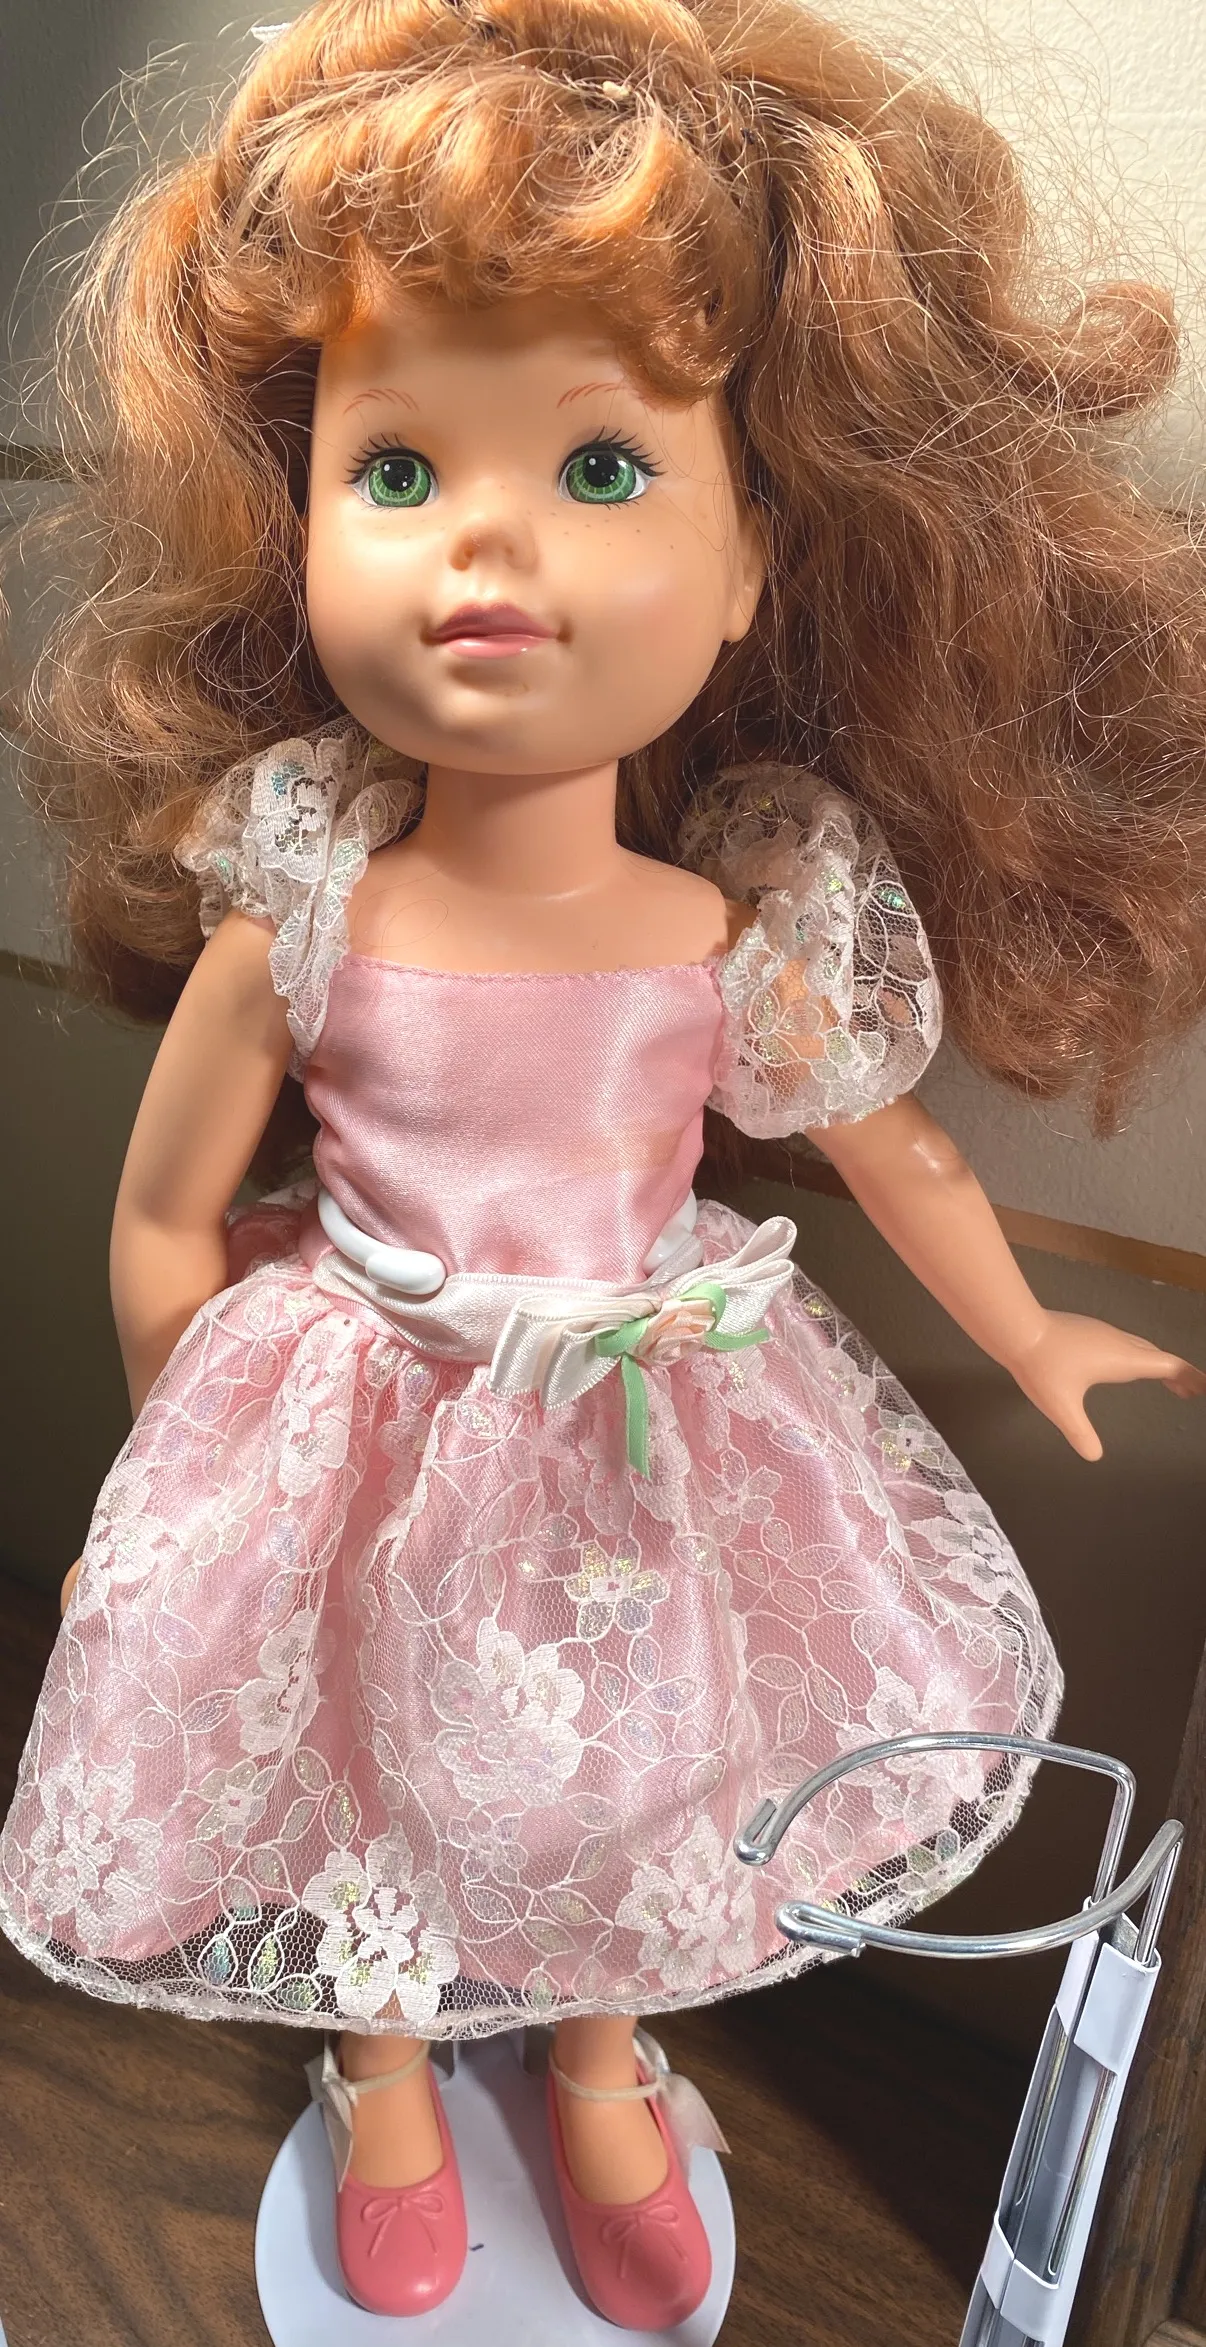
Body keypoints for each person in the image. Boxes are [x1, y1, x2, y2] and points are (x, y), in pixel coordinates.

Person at [3, 0, 1205, 2326]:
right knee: (361, 1761)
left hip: (647, 1446)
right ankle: (377, 2064)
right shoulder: (304, 907)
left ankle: (598, 2056)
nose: (487, 540)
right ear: (295, 518)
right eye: (394, 466)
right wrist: (177, 1512)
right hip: (363, 1418)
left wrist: (1036, 1324)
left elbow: (892, 1156)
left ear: (754, 563)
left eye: (601, 466)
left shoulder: (722, 926)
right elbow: (163, 1214)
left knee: (632, 1767)